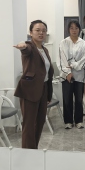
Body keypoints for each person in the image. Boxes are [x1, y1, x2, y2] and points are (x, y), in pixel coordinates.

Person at [14, 20, 54, 149]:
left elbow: (47, 72)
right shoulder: (30, 46)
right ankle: (27, 152)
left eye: (43, 30)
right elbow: (26, 49)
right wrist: (22, 46)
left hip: (43, 89)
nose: (41, 33)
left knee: (40, 122)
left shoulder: (45, 50)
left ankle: (34, 149)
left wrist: (48, 93)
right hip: (30, 90)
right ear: (31, 33)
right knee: (29, 124)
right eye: (37, 30)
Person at [59, 20, 85, 129]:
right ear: (68, 30)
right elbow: (62, 59)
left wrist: (74, 65)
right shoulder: (63, 42)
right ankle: (68, 121)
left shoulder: (83, 43)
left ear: (79, 29)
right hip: (66, 75)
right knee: (67, 99)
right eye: (72, 28)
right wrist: (68, 73)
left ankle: (79, 121)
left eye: (76, 28)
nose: (74, 30)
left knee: (79, 99)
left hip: (79, 75)